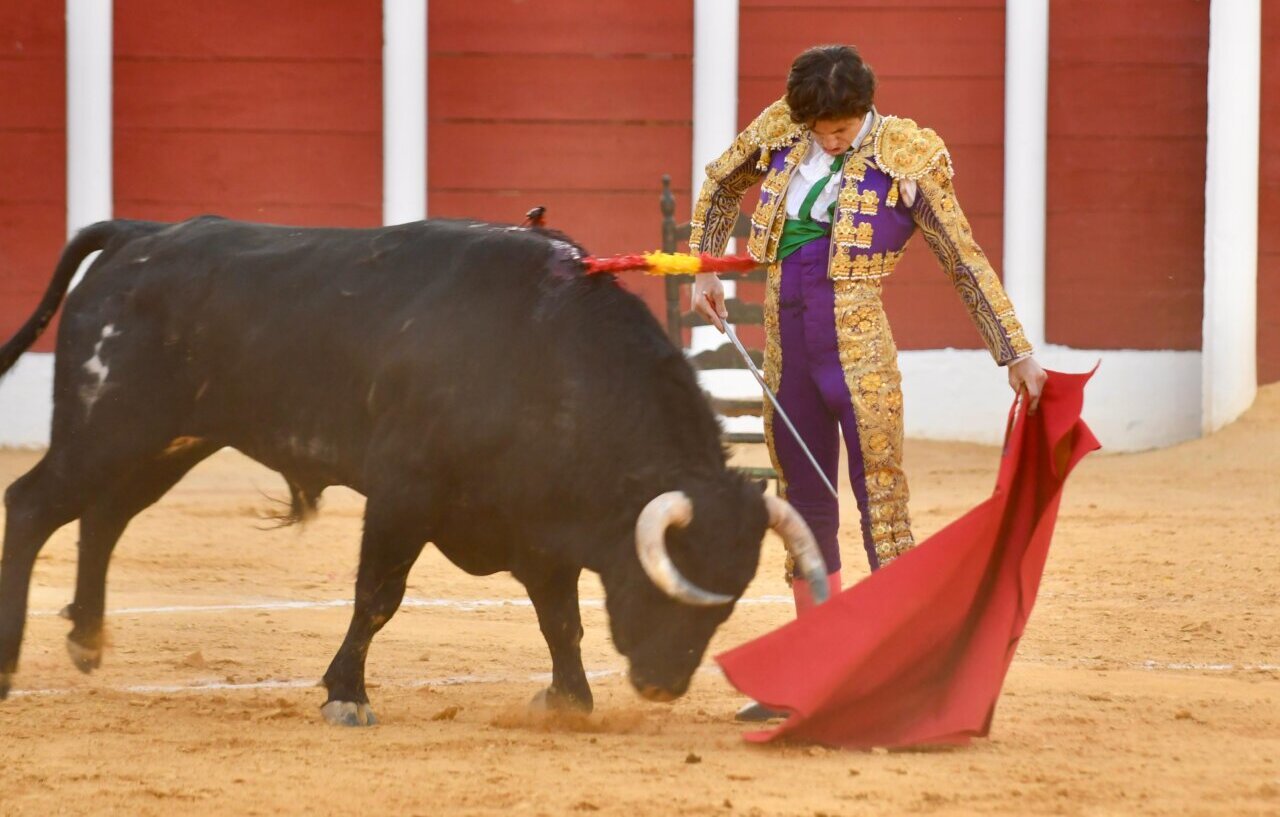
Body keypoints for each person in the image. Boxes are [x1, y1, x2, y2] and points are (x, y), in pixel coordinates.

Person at [688, 45, 1046, 717]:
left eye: (843, 124)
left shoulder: (907, 154)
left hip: (860, 361)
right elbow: (719, 183)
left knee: (882, 505)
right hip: (789, 357)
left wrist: (1015, 351)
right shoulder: (782, 131)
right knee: (804, 507)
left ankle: (901, 670)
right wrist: (705, 266)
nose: (833, 136)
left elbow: (962, 258)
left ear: (863, 109)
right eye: (822, 126)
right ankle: (816, 668)